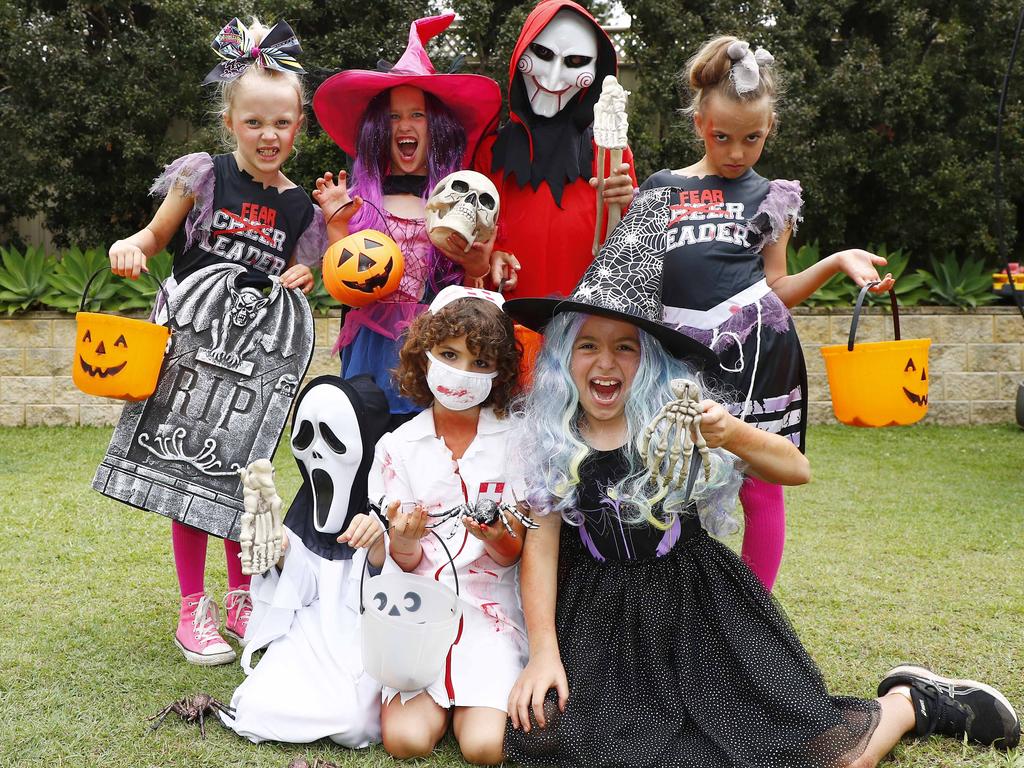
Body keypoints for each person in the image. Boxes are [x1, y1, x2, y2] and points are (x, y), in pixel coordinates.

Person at [502, 188, 1020, 767]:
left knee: (822, 754)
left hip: (700, 615)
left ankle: (910, 702)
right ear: (561, 359)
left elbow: (796, 469)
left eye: (627, 347)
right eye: (588, 346)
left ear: (651, 360)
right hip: (600, 630)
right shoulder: (553, 440)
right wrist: (543, 648)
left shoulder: (685, 417)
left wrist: (733, 434)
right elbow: (541, 551)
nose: (606, 362)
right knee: (551, 743)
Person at [639, 36, 896, 590]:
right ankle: (670, 609)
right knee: (668, 477)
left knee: (760, 485)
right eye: (722, 136)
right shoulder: (661, 190)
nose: (736, 152)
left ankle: (755, 619)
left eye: (752, 138)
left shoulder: (773, 195)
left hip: (756, 350)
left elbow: (776, 285)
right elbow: (634, 276)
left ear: (770, 126)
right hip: (676, 355)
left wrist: (836, 260)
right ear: (699, 122)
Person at [107, 17, 322, 665]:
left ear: (300, 127)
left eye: (281, 123)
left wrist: (303, 275)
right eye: (254, 122)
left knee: (239, 474)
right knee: (186, 468)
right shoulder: (202, 176)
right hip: (189, 345)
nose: (268, 135)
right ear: (231, 122)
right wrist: (132, 246)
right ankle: (191, 607)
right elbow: (153, 235)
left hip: (253, 359)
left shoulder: (299, 208)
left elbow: (303, 280)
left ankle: (241, 597)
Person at [312, 14, 503, 427]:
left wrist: (477, 265)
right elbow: (342, 282)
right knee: (366, 439)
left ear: (437, 127)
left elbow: (472, 288)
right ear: (380, 129)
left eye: (417, 115)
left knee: (425, 445)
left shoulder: (457, 205)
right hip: (371, 345)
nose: (405, 125)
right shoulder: (361, 201)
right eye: (395, 117)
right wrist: (336, 225)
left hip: (436, 347)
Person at [368, 285, 528, 766]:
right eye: (449, 354)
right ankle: (442, 705)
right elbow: (404, 559)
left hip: (491, 612)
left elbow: (516, 552)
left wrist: (497, 536)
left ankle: (477, 703)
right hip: (418, 615)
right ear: (424, 355)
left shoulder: (517, 442)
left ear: (499, 373)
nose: (462, 372)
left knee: (485, 748)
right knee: (406, 742)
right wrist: (404, 538)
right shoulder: (398, 447)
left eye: (480, 363)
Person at [224, 375, 392, 747]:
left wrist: (379, 542)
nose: (317, 452)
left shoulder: (390, 498)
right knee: (256, 708)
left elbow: (395, 589)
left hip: (365, 638)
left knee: (354, 723)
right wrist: (283, 550)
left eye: (332, 439)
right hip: (311, 632)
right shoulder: (307, 506)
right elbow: (305, 589)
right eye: (305, 439)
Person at [473, 0, 636, 298]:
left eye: (575, 62)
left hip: (583, 327)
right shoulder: (490, 152)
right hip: (509, 326)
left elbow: (628, 249)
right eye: (543, 54)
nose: (551, 79)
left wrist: (628, 203)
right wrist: (489, 256)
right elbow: (473, 239)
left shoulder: (611, 155)